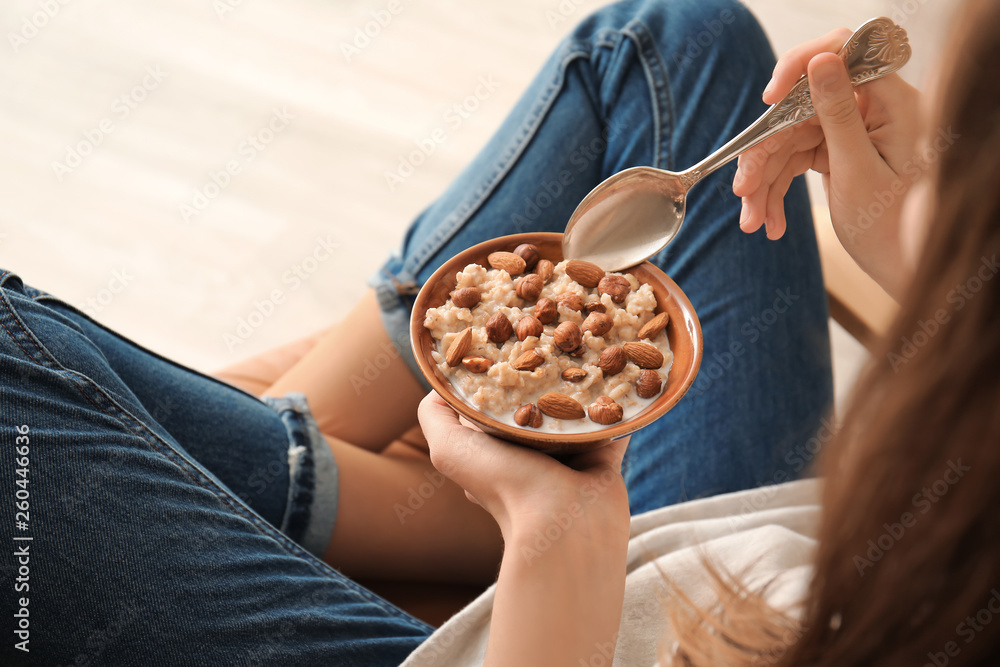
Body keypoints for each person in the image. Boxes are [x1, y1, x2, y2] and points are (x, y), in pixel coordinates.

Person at [2, 0, 990, 663]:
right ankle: (320, 481)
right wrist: (927, 257)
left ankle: (312, 480)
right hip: (732, 549)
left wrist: (563, 553)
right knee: (671, 42)